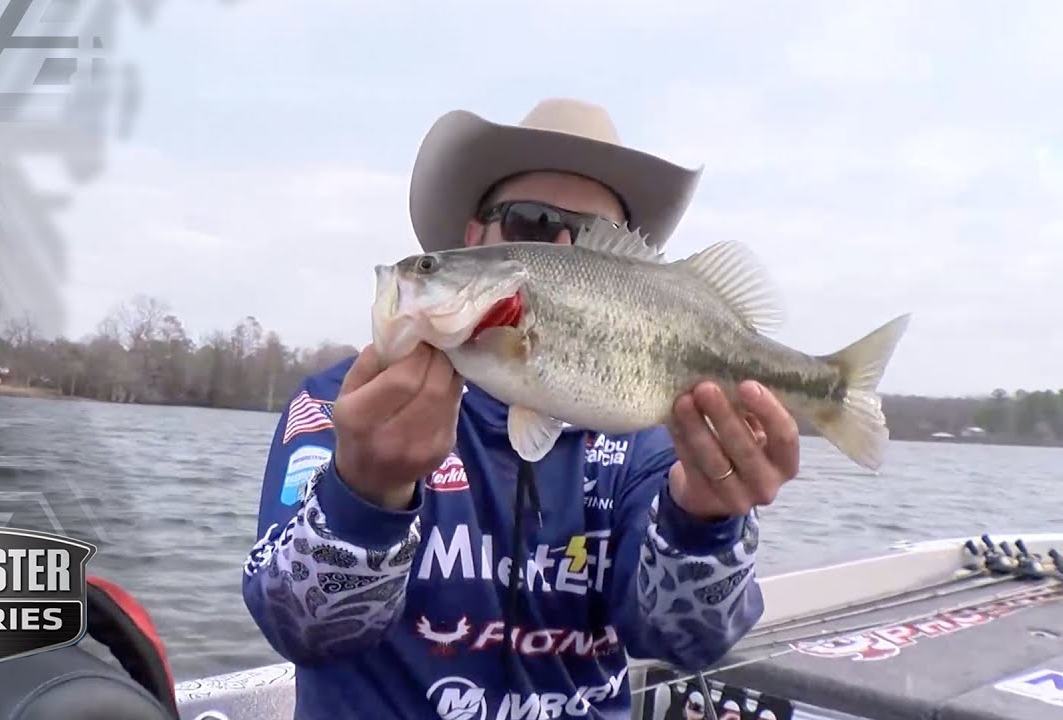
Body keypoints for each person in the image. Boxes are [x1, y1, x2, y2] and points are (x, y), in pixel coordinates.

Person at [242, 98, 800, 719]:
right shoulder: (341, 409)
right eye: (532, 221)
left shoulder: (653, 437)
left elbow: (683, 641)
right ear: (475, 238)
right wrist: (364, 495)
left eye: (593, 242)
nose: (561, 249)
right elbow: (302, 630)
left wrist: (706, 522)